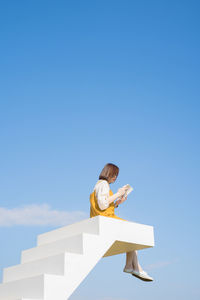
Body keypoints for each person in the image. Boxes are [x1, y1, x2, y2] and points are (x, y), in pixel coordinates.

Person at [90, 163, 153, 282]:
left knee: (131, 235)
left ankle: (131, 266)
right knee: (132, 232)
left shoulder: (100, 185)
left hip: (105, 217)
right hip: (105, 219)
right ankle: (133, 267)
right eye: (114, 175)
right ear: (108, 173)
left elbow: (103, 204)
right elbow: (102, 205)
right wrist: (118, 193)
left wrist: (117, 203)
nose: (115, 178)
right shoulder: (103, 184)